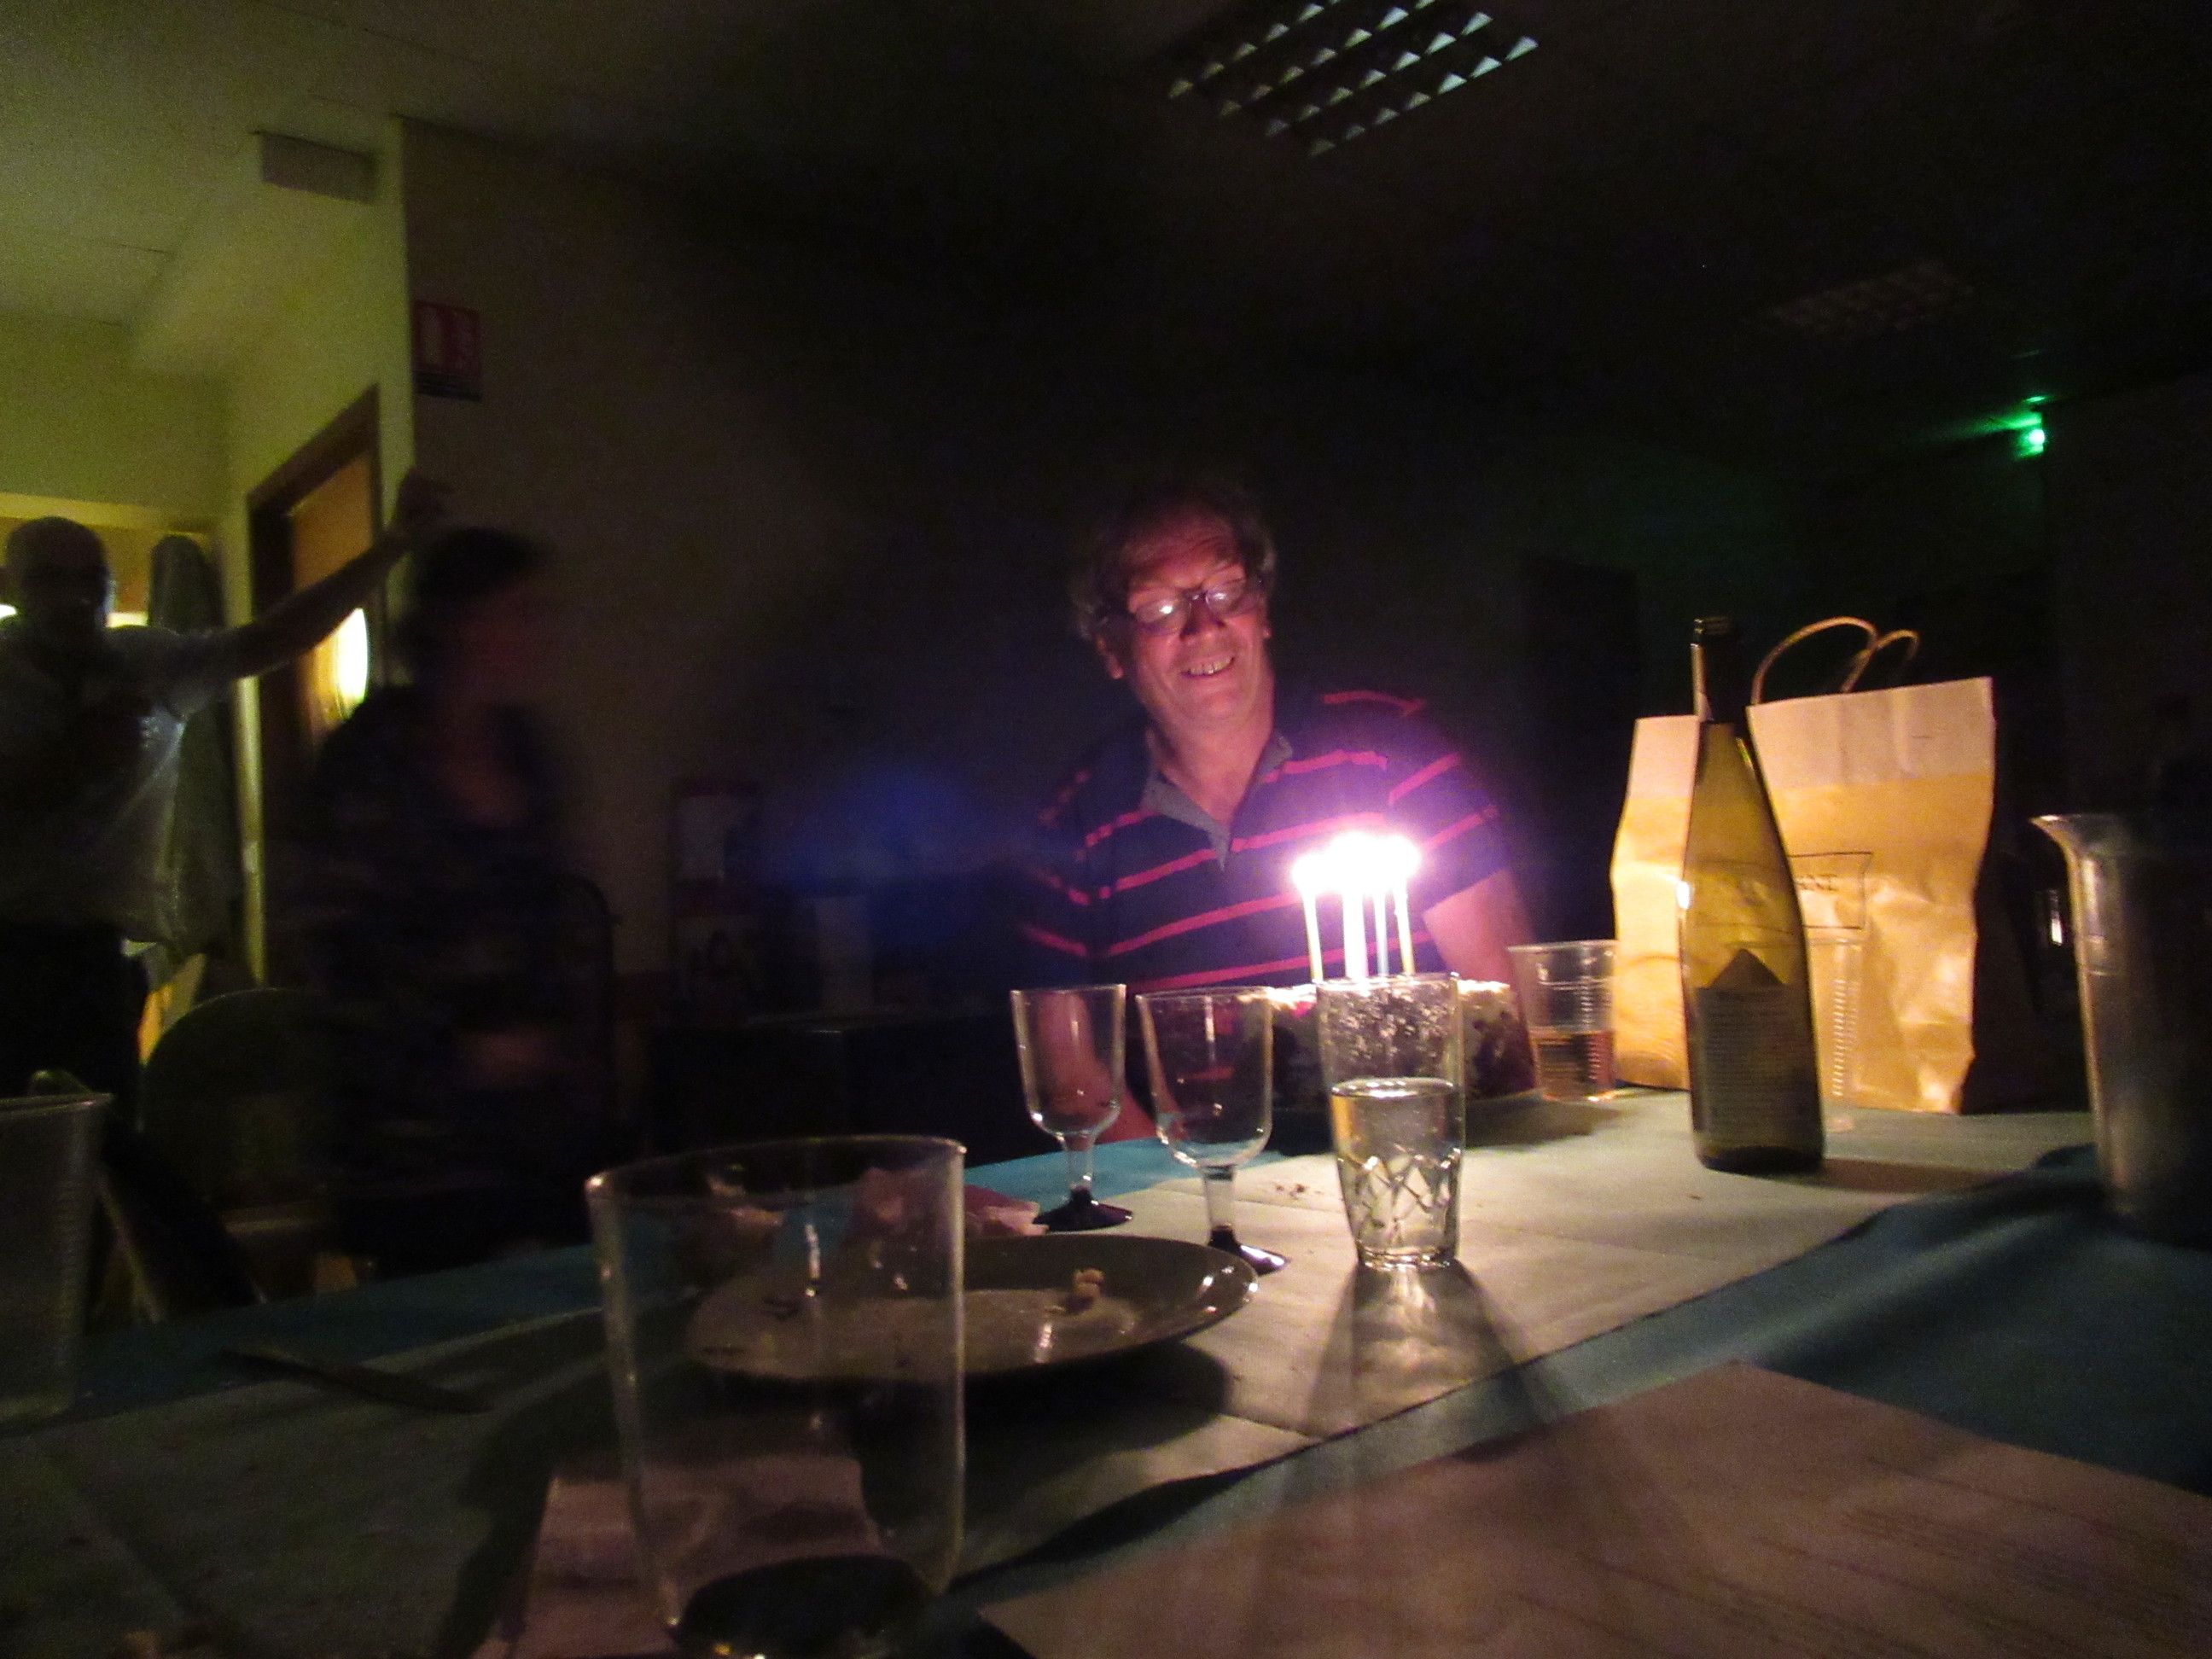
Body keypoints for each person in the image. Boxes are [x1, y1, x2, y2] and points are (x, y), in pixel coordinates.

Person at [0, 475, 444, 1105]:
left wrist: (392, 544)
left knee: (109, 1138)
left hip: (102, 962)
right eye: (49, 579)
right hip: (8, 952)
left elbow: (273, 638)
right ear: (10, 587)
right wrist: (70, 759)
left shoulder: (147, 662)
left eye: (93, 579)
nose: (76, 597)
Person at [1019, 476, 1531, 1003]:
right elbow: (1065, 1052)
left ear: (1261, 609)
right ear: (1110, 648)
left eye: (1225, 591)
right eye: (1160, 609)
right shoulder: (1076, 830)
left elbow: (1510, 1010)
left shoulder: (1388, 754)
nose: (1204, 626)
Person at [296, 524, 602, 1272]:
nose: (538, 636)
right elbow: (337, 952)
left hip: (535, 1138)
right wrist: (455, 1055)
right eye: (519, 613)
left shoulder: (531, 754)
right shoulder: (369, 759)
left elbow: (554, 924)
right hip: (411, 1147)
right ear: (455, 623)